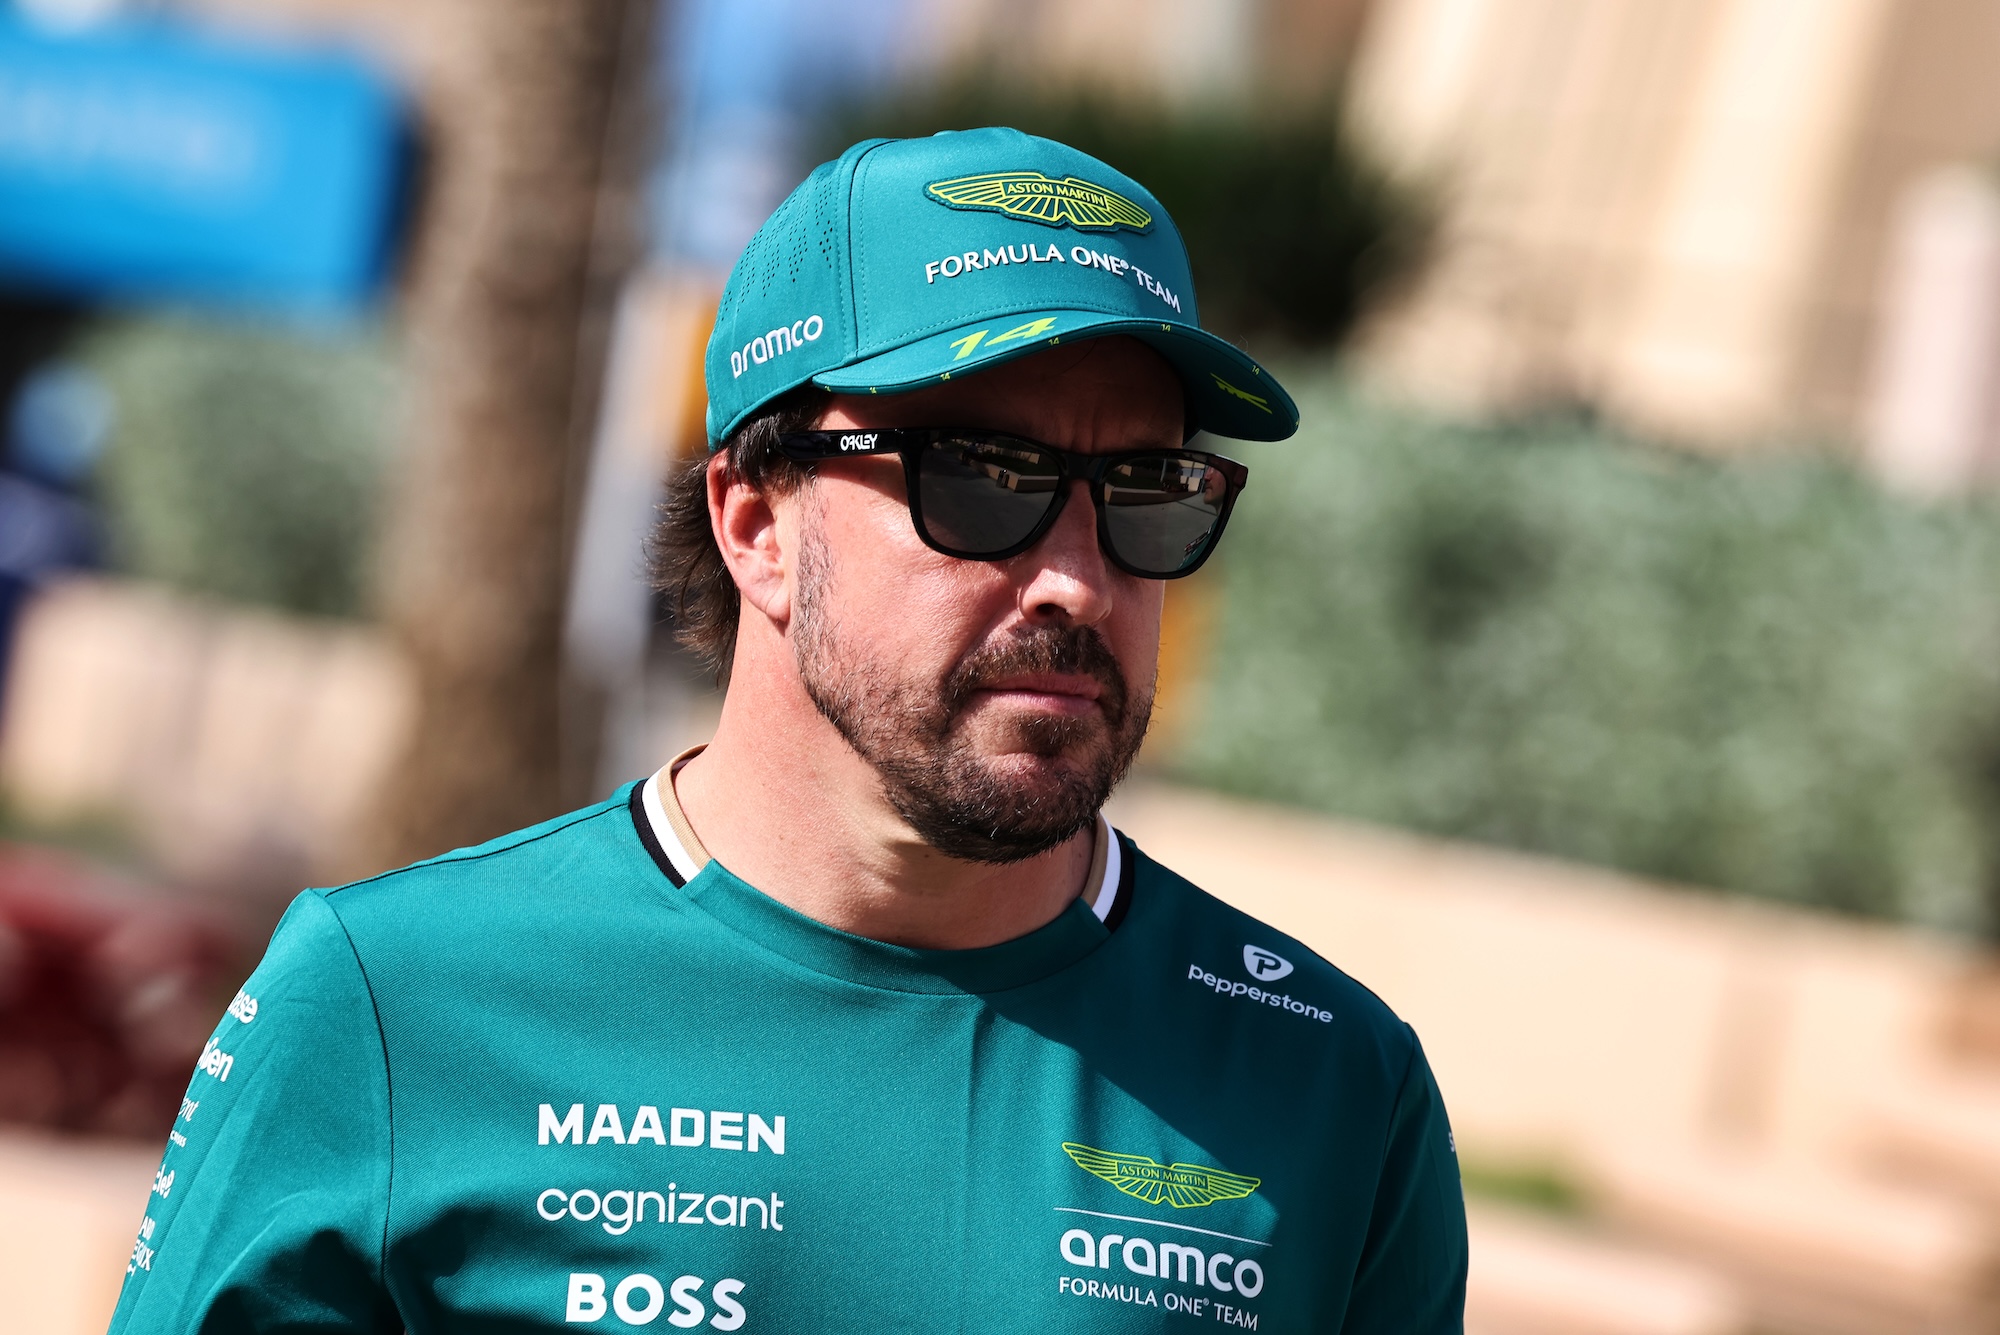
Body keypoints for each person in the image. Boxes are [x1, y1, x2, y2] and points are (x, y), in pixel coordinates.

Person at [108, 128, 1467, 1333]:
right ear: (757, 524)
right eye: (983, 480)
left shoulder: (1337, 1088)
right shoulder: (392, 1003)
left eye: (1149, 490)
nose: (1078, 578)